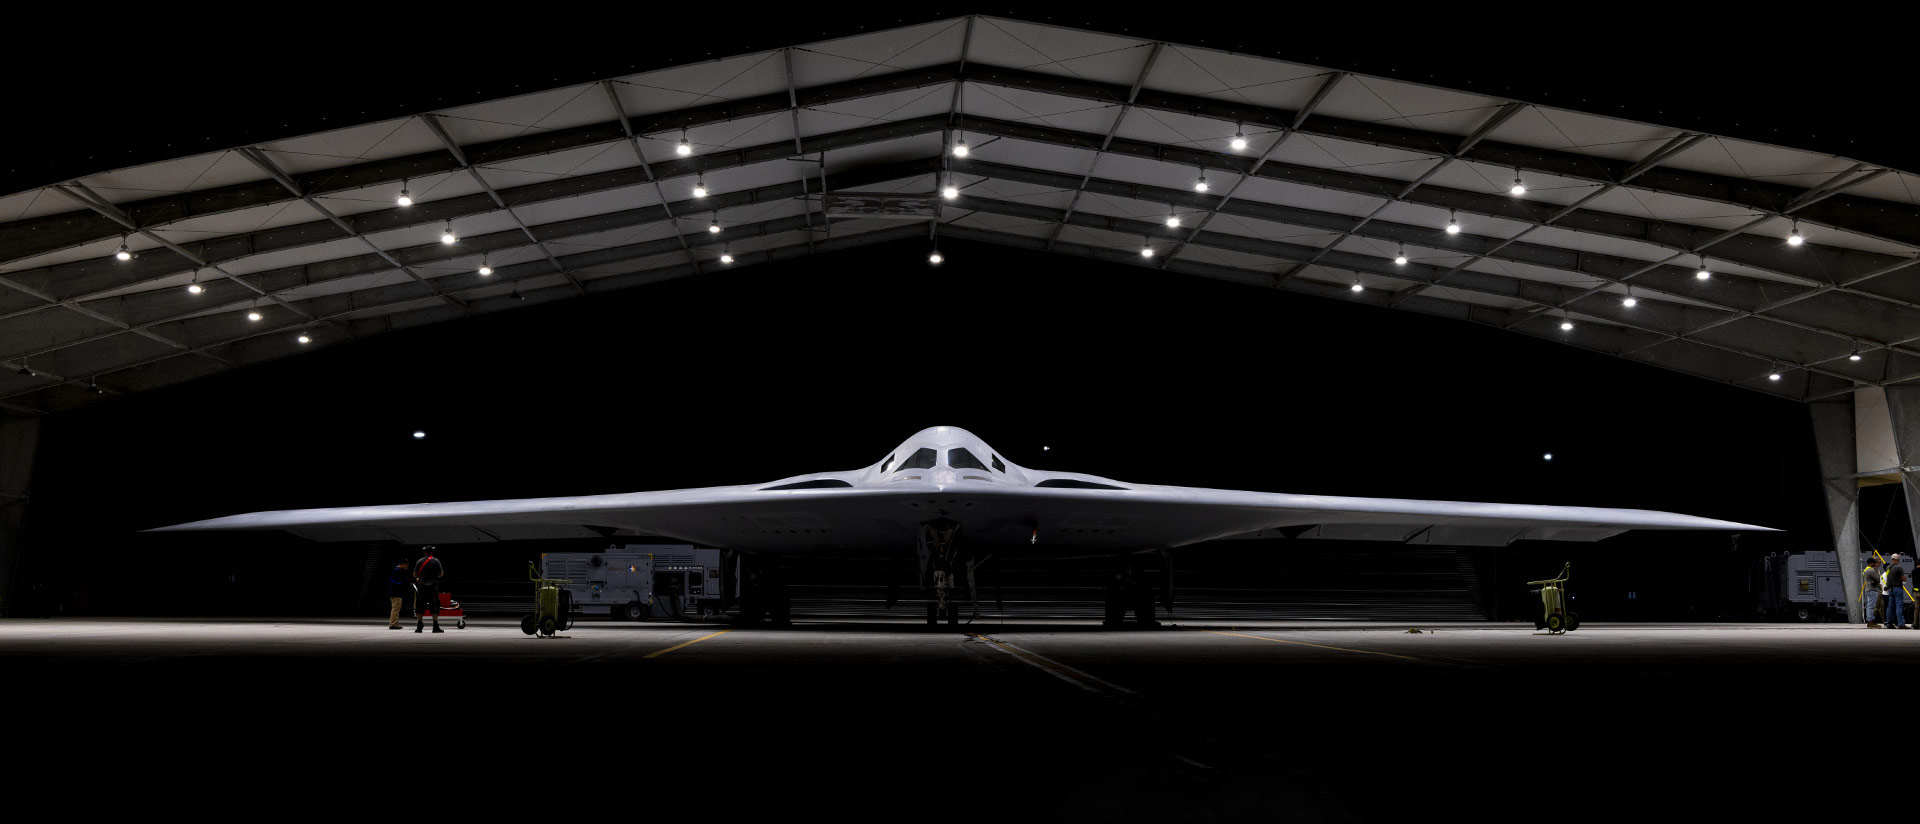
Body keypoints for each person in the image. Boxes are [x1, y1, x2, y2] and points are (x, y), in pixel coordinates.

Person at [414, 546, 445, 634]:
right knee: (434, 606)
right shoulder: (436, 561)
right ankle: (435, 626)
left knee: (420, 606)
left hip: (422, 586)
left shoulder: (419, 561)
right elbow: (441, 574)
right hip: (433, 587)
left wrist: (420, 577)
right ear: (432, 552)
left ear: (424, 552)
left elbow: (415, 574)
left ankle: (419, 626)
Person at [386, 559, 412, 630]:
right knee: (396, 608)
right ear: (403, 564)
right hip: (396, 593)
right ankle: (393, 624)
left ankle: (394, 623)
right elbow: (397, 582)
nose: (407, 567)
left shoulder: (396, 570)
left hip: (395, 592)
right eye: (406, 565)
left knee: (396, 608)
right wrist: (406, 583)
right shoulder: (397, 571)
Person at [1889, 554, 1910, 630]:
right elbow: (1904, 578)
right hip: (1898, 588)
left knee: (1890, 606)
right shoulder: (1899, 567)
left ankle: (1889, 623)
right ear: (1897, 560)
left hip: (1890, 589)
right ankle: (1901, 624)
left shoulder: (1888, 567)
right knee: (1899, 606)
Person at [1865, 557, 1883, 628]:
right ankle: (1871, 622)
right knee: (1871, 606)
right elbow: (1879, 579)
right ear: (1871, 563)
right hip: (1872, 589)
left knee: (1869, 606)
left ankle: (1870, 621)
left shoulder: (1866, 570)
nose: (1875, 564)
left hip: (1869, 589)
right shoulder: (1871, 570)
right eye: (1874, 562)